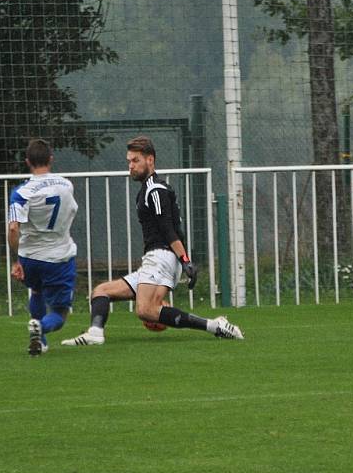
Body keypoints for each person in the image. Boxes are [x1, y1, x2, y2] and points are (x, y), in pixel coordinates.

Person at [62, 135, 243, 346]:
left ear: (150, 160)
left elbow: (167, 228)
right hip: (157, 258)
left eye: (135, 160)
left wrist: (185, 261)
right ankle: (95, 332)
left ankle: (215, 326)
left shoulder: (155, 189)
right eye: (129, 161)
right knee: (101, 291)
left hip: (162, 257)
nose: (131, 166)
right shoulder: (146, 190)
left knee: (146, 310)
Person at [8, 139, 79, 355]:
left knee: (36, 290)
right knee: (59, 312)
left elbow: (13, 229)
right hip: (58, 256)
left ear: (27, 161)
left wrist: (16, 260)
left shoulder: (21, 192)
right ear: (51, 159)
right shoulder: (66, 184)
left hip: (30, 257)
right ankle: (42, 328)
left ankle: (41, 341)